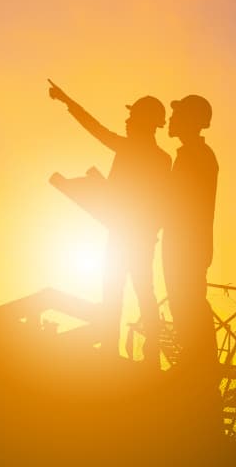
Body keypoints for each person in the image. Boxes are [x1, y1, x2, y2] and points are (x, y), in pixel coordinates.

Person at [49, 82, 171, 364]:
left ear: (145, 122)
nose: (127, 121)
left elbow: (95, 128)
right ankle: (140, 353)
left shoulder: (136, 151)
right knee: (136, 290)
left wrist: (68, 100)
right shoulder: (161, 159)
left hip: (129, 235)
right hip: (133, 234)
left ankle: (112, 350)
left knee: (120, 289)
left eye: (132, 117)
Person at [162, 94, 219, 375]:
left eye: (178, 114)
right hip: (183, 242)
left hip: (187, 245)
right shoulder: (192, 155)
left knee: (188, 302)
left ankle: (199, 367)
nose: (171, 119)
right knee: (183, 301)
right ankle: (196, 363)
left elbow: (182, 201)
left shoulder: (198, 156)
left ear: (191, 120)